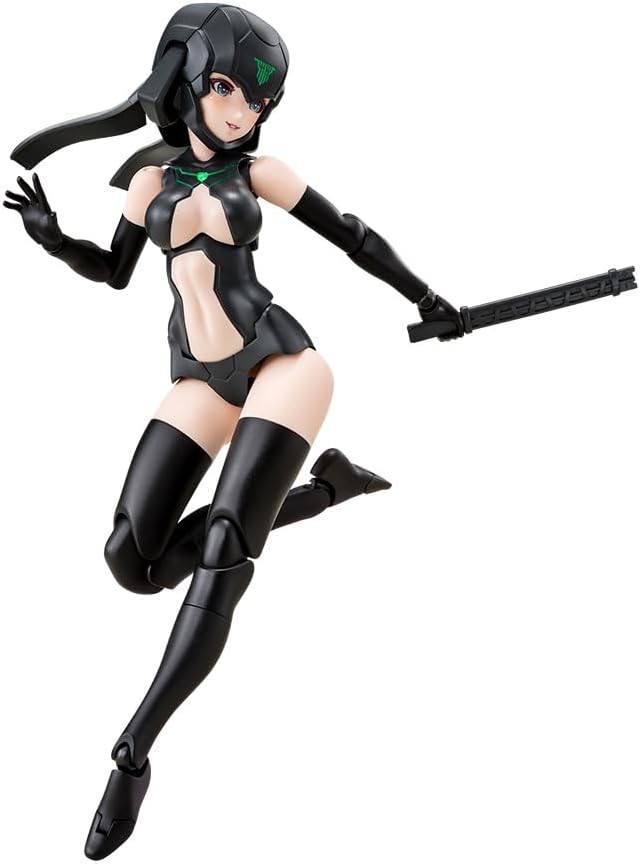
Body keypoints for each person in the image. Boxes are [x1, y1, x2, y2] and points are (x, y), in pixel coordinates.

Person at [5, 4, 463, 859]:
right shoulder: (148, 180)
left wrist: (430, 299)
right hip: (199, 374)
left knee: (222, 544)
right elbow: (114, 273)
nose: (241, 110)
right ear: (183, 79)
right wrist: (52, 239)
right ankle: (324, 492)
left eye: (258, 99)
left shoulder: (261, 174)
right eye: (226, 87)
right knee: (130, 560)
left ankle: (133, 751)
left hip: (279, 362)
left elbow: (352, 235)